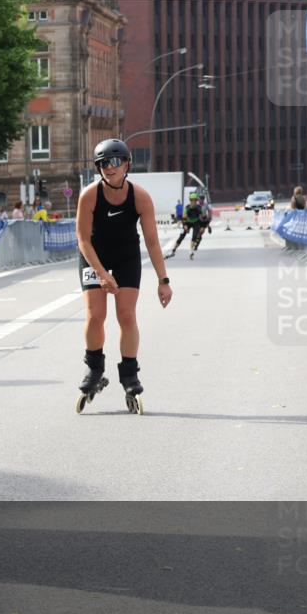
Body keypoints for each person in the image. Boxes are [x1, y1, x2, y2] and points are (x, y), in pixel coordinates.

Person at [75, 138, 172, 414]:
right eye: (103, 163)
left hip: (127, 254)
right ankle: (94, 370)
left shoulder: (140, 197)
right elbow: (83, 240)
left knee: (126, 315)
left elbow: (153, 242)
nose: (109, 167)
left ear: (127, 164)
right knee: (95, 315)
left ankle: (130, 375)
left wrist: (163, 281)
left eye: (115, 161)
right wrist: (102, 274)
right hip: (94, 255)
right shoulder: (89, 195)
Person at [166, 192, 202, 259]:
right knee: (181, 237)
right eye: (192, 200)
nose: (193, 202)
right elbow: (183, 218)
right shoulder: (187, 208)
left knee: (194, 236)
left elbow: (203, 216)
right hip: (187, 223)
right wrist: (185, 226)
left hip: (196, 223)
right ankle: (173, 251)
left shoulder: (199, 207)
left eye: (195, 200)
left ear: (196, 200)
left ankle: (191, 251)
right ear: (190, 200)